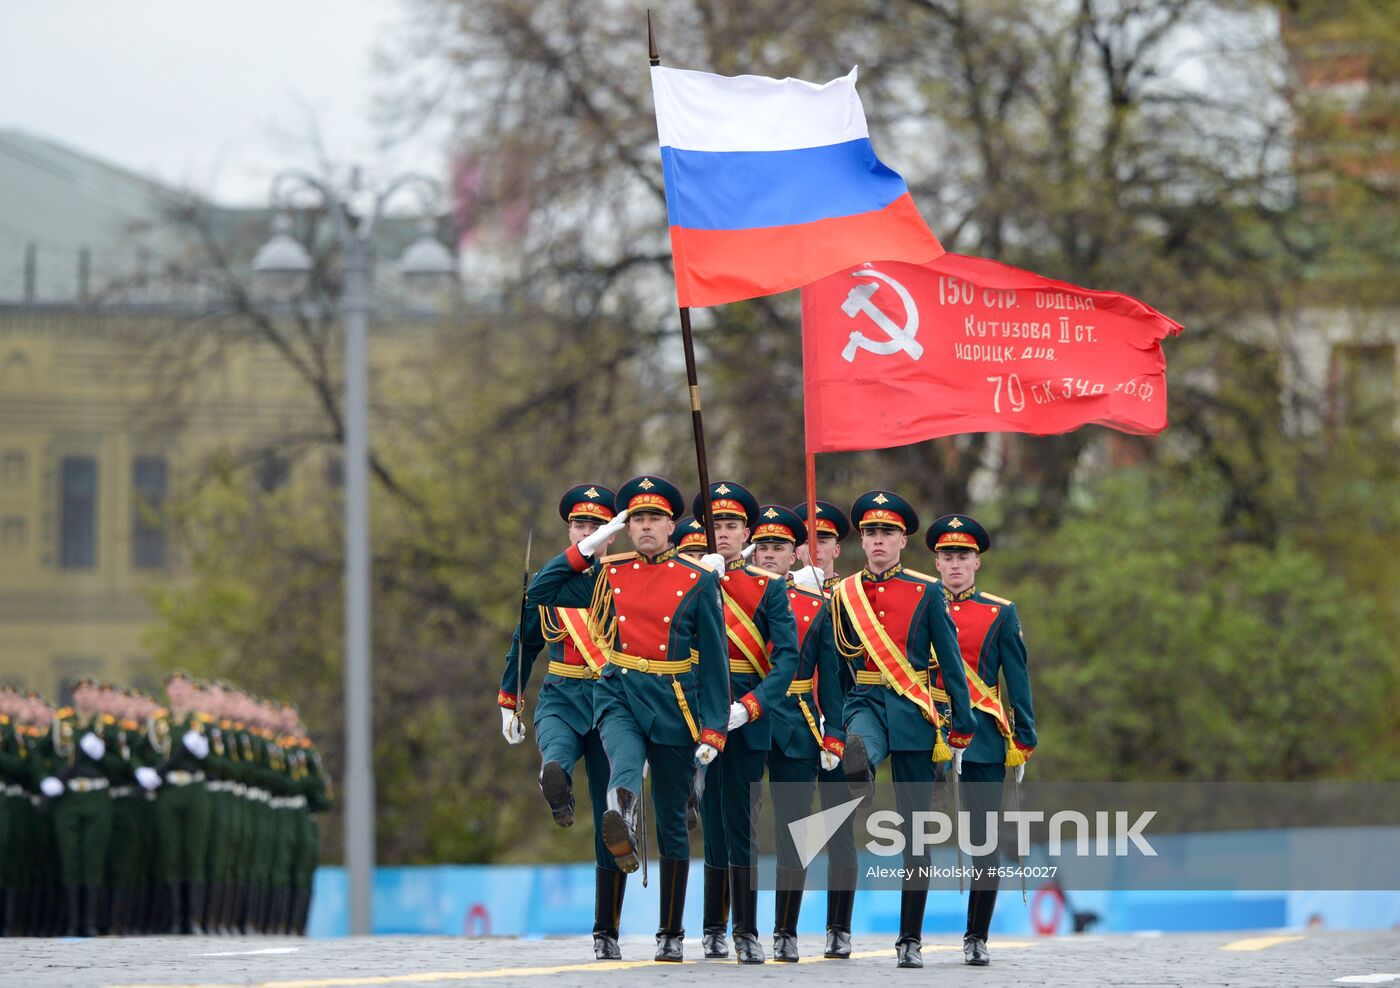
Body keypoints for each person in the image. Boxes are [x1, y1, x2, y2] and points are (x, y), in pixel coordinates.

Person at [527, 475, 729, 962]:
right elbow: (541, 591)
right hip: (618, 692)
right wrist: (588, 548)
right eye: (636, 518)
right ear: (627, 525)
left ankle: (670, 933)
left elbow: (717, 659)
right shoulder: (608, 572)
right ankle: (621, 812)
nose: (645, 527)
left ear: (670, 525)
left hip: (675, 698)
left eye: (654, 519)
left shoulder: (697, 579)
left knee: (674, 825)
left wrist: (715, 726)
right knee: (621, 759)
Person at [823, 490, 978, 968]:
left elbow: (950, 660)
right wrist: (831, 717)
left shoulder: (926, 590)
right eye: (869, 532)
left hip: (914, 709)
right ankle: (837, 930)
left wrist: (963, 717)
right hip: (865, 697)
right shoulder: (842, 592)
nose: (877, 541)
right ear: (862, 541)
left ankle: (909, 938)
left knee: (916, 833)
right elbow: (831, 662)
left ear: (902, 540)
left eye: (886, 532)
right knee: (858, 748)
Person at [498, 483, 633, 960]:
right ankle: (553, 779)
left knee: (609, 817)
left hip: (611, 698)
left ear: (614, 534)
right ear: (569, 530)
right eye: (580, 526)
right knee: (553, 748)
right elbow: (526, 639)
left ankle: (606, 929)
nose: (588, 532)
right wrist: (509, 699)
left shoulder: (623, 579)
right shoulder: (554, 579)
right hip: (561, 690)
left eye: (597, 527)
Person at [691, 482, 799, 965]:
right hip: (694, 709)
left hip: (747, 714)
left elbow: (787, 659)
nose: (723, 534)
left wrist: (752, 706)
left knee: (739, 822)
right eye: (716, 525)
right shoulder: (684, 578)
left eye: (732, 526)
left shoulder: (768, 586)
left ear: (747, 533)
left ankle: (746, 930)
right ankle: (712, 927)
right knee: (708, 820)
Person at [924, 514, 1036, 967]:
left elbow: (1018, 676)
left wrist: (1024, 734)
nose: (955, 564)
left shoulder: (999, 612)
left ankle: (977, 935)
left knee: (983, 839)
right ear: (935, 562)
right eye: (947, 556)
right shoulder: (918, 604)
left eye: (963, 556)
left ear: (977, 563)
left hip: (985, 736)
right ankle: (910, 935)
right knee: (917, 836)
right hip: (928, 730)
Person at [750, 504, 845, 962]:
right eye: (762, 547)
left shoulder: (816, 606)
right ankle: (733, 927)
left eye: (779, 548)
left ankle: (784, 929)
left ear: (794, 555)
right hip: (740, 719)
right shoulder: (726, 596)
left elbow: (828, 670)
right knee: (736, 825)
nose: (769, 556)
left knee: (795, 828)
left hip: (795, 722)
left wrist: (833, 730)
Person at [793, 500, 861, 957]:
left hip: (836, 720)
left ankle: (839, 927)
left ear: (837, 548)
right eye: (808, 542)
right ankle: (781, 928)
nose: (816, 550)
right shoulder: (779, 593)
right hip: (793, 720)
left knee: (840, 826)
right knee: (790, 826)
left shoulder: (853, 598)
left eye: (826, 541)